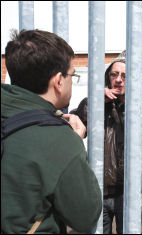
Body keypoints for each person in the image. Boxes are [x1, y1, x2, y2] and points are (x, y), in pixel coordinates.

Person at [1, 29, 102, 233]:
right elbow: (86, 216)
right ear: (58, 81)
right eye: (71, 76)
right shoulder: (59, 140)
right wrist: (74, 143)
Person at [70, 50, 142, 234]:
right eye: (114, 74)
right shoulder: (96, 104)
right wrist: (96, 102)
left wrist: (140, 187)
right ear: (108, 78)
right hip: (99, 191)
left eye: (124, 75)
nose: (119, 79)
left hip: (126, 195)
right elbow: (73, 123)